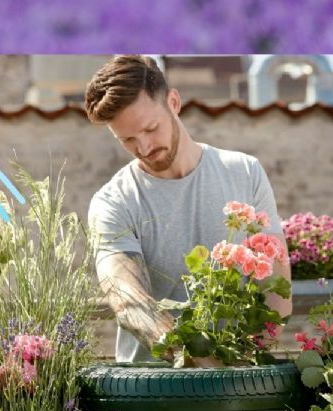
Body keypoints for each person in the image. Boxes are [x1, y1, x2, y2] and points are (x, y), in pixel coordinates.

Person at [85, 55, 291, 365]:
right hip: (150, 391)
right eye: (127, 139)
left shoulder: (246, 173)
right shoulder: (113, 201)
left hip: (240, 385)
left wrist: (244, 363)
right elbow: (126, 298)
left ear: (174, 102)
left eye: (150, 128)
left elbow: (277, 289)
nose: (143, 147)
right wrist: (199, 364)